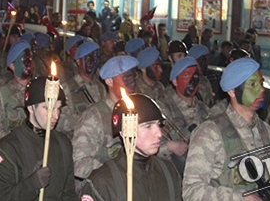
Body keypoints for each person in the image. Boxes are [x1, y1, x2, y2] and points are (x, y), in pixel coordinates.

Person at [182, 58, 270, 200]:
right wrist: (241, 198)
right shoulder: (209, 132)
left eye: (261, 83)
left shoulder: (265, 130)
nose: (261, 90)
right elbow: (191, 192)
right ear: (232, 91)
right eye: (252, 84)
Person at [80, 94, 182, 201]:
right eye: (148, 126)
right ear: (124, 132)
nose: (159, 133)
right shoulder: (103, 182)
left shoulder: (167, 172)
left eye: (159, 125)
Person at [0, 77, 77, 200]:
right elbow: (0, 197)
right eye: (47, 108)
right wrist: (31, 184)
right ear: (31, 108)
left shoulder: (63, 143)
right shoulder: (9, 148)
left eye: (58, 109)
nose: (56, 116)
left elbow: (68, 193)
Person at [72, 56, 140, 188]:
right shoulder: (93, 117)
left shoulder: (137, 112)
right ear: (109, 81)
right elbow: (79, 166)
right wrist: (116, 168)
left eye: (133, 76)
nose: (132, 81)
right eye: (126, 77)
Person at [0, 41, 35, 153]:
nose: (28, 64)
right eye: (23, 60)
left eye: (30, 59)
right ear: (12, 65)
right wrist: (16, 138)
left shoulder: (40, 90)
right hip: (12, 157)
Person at [57, 41, 106, 138]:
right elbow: (58, 122)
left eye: (96, 58)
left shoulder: (101, 87)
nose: (93, 62)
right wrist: (86, 118)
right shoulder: (67, 88)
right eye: (88, 58)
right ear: (78, 61)